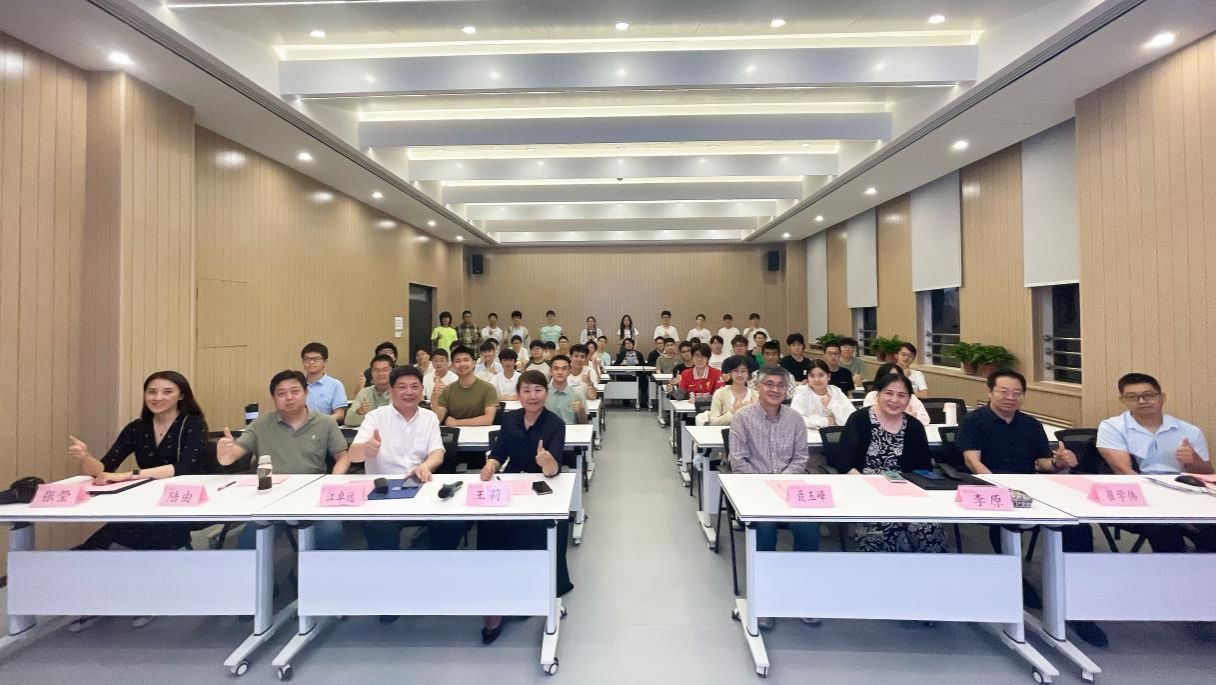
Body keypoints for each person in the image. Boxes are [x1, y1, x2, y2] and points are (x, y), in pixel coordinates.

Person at [958, 369, 1107, 648]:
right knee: (1005, 526)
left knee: (1078, 529)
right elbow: (972, 462)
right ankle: (1017, 583)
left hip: (1031, 489)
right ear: (990, 392)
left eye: (1017, 393)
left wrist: (1060, 462)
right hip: (991, 488)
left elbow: (1042, 463)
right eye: (1004, 391)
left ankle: (1077, 604)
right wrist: (1000, 488)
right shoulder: (975, 421)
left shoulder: (1030, 425)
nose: (1010, 397)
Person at [347, 365, 463, 622]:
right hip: (384, 492)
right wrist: (367, 449)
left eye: (414, 387)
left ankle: (432, 578)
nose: (408, 392)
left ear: (422, 390)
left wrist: (426, 466)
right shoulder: (375, 417)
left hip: (421, 487)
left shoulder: (429, 417)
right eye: (401, 387)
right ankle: (391, 594)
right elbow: (353, 454)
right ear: (391, 390)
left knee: (453, 523)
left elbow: (438, 452)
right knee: (380, 532)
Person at [478, 370, 573, 644]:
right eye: (527, 391)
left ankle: (533, 590)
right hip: (512, 481)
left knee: (536, 528)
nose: (533, 396)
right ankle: (495, 594)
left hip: (543, 485)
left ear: (546, 393)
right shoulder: (510, 419)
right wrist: (491, 465)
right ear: (518, 394)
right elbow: (500, 452)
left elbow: (554, 468)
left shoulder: (555, 424)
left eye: (538, 390)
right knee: (489, 524)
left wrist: (546, 462)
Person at [67, 371, 207, 551]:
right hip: (146, 500)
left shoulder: (193, 423)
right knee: (103, 542)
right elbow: (104, 468)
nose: (158, 397)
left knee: (118, 537)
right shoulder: (137, 427)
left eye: (167, 392)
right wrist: (86, 457)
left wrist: (127, 475)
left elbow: (182, 467)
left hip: (180, 502)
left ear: (181, 395)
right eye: (152, 392)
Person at [728, 365, 820, 629]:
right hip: (755, 492)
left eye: (781, 385)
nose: (775, 390)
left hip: (789, 490)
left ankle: (803, 594)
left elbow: (800, 459)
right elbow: (738, 461)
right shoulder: (742, 418)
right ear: (757, 387)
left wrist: (782, 483)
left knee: (809, 527)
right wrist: (765, 484)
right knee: (764, 528)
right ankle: (764, 598)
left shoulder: (795, 419)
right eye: (769, 384)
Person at [217, 370, 349, 552]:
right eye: (281, 393)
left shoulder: (326, 422)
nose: (289, 397)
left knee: (331, 535)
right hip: (271, 499)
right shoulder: (261, 424)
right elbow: (231, 455)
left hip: (312, 496)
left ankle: (310, 569)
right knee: (248, 543)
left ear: (306, 393)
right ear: (273, 398)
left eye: (295, 391)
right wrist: (225, 453)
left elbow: (342, 457)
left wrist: (333, 482)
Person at [1096, 372, 1215, 552]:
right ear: (1123, 401)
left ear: (1162, 397)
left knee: (1210, 531)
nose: (1142, 401)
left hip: (1185, 494)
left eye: (1149, 395)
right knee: (1165, 531)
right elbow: (1124, 472)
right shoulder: (1112, 427)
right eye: (1133, 397)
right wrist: (1165, 504)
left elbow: (1206, 475)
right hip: (1139, 497)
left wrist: (1194, 460)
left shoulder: (1189, 431)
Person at [839, 373, 946, 553]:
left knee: (929, 529)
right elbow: (845, 463)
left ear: (909, 400)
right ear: (877, 394)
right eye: (889, 393)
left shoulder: (914, 427)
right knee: (882, 533)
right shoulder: (859, 420)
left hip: (906, 494)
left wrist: (908, 493)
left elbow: (923, 468)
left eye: (901, 395)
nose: (894, 400)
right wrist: (868, 485)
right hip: (866, 492)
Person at [434, 345, 498, 427]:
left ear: (474, 363)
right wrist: (434, 398)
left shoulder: (488, 388)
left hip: (480, 433)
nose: (462, 364)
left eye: (466, 360)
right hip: (455, 433)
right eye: (457, 361)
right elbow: (438, 419)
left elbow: (488, 419)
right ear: (452, 366)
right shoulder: (447, 390)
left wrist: (457, 422)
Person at [791, 360, 855, 428]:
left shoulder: (836, 391)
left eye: (821, 375)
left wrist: (831, 404)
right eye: (812, 376)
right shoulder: (801, 392)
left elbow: (852, 419)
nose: (816, 380)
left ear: (829, 376)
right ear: (807, 378)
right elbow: (795, 420)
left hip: (835, 433)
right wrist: (826, 421)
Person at [862, 363, 930, 425]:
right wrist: (906, 416)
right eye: (889, 377)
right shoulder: (873, 396)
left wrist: (913, 416)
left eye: (896, 377)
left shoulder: (910, 397)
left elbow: (925, 419)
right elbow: (870, 418)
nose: (893, 381)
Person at [301, 342, 348, 424]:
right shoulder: (297, 384)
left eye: (316, 359)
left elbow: (340, 414)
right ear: (303, 362)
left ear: (325, 362)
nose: (311, 362)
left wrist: (319, 422)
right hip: (299, 428)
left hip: (325, 427)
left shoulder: (335, 385)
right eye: (307, 359)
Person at [345, 354, 394, 427]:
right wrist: (359, 412)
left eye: (385, 370)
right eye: (376, 370)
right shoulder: (364, 392)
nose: (380, 374)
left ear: (393, 371)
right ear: (371, 372)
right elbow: (348, 421)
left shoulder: (399, 392)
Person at [709, 356, 756, 425]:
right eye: (735, 371)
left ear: (748, 373)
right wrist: (732, 412)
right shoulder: (720, 393)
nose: (739, 375)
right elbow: (713, 422)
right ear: (730, 373)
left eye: (743, 371)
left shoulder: (756, 395)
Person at [546, 355, 589, 425]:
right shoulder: (543, 393)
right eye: (556, 369)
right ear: (550, 371)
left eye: (564, 369)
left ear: (569, 371)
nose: (560, 372)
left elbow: (584, 424)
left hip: (571, 431)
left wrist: (581, 410)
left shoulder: (577, 393)